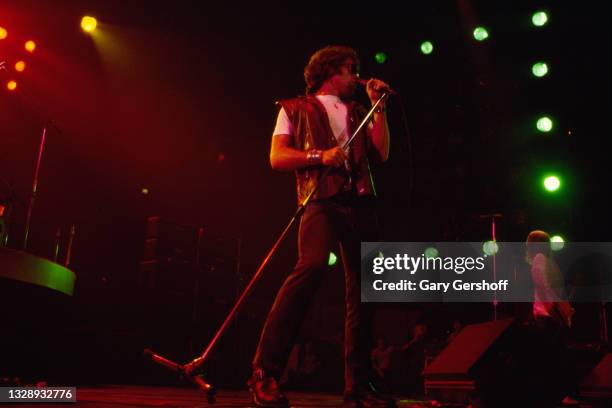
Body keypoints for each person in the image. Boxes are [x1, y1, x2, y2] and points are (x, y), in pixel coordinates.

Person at [248, 45, 394, 408]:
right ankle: (264, 372)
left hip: (359, 201)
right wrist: (319, 155)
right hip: (319, 199)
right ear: (330, 71)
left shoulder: (361, 109)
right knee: (310, 266)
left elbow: (383, 152)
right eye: (350, 69)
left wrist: (381, 107)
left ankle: (357, 386)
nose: (356, 76)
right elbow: (277, 157)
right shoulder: (294, 108)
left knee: (364, 289)